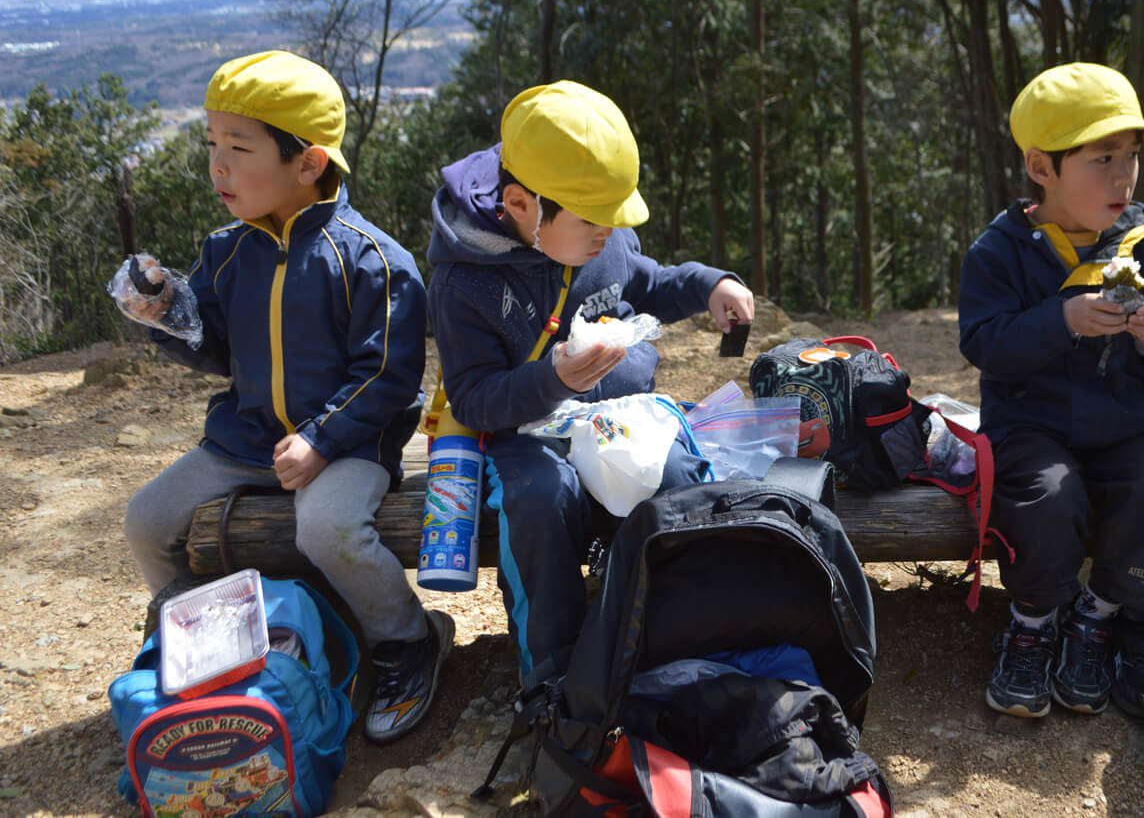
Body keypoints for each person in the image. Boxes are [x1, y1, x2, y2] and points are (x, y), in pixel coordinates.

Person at [119, 50, 450, 744]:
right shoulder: (226, 251)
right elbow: (210, 344)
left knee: (325, 527)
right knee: (148, 518)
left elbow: (390, 373)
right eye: (212, 145)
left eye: (240, 148)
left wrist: (323, 438)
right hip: (244, 440)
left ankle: (408, 638)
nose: (219, 166)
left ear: (309, 162)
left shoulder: (371, 259)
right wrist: (163, 313)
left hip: (351, 445)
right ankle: (207, 639)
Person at [425, 80, 755, 682]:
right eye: (594, 223)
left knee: (678, 479)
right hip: (520, 432)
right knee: (541, 502)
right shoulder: (463, 281)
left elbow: (645, 281)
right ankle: (553, 675)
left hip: (619, 413)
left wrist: (710, 283)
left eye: (614, 219)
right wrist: (551, 379)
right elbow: (472, 398)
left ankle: (663, 646)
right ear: (523, 205)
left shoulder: (598, 222)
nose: (609, 233)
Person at [958, 63, 1144, 719]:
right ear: (1042, 166)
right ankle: (1033, 620)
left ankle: (1098, 616)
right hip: (1030, 423)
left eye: (1130, 157)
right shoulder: (1000, 251)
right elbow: (984, 343)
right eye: (1102, 159)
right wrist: (1061, 318)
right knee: (1046, 496)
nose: (1123, 177)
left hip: (1129, 422)